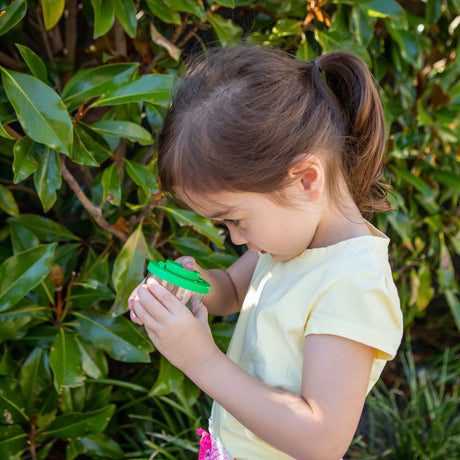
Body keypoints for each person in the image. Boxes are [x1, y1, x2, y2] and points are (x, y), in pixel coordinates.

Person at [128, 45, 403, 460]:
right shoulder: (290, 239)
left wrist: (199, 359)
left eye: (235, 219)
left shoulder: (352, 285)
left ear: (306, 180)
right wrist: (191, 286)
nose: (235, 238)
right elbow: (233, 293)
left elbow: (322, 440)